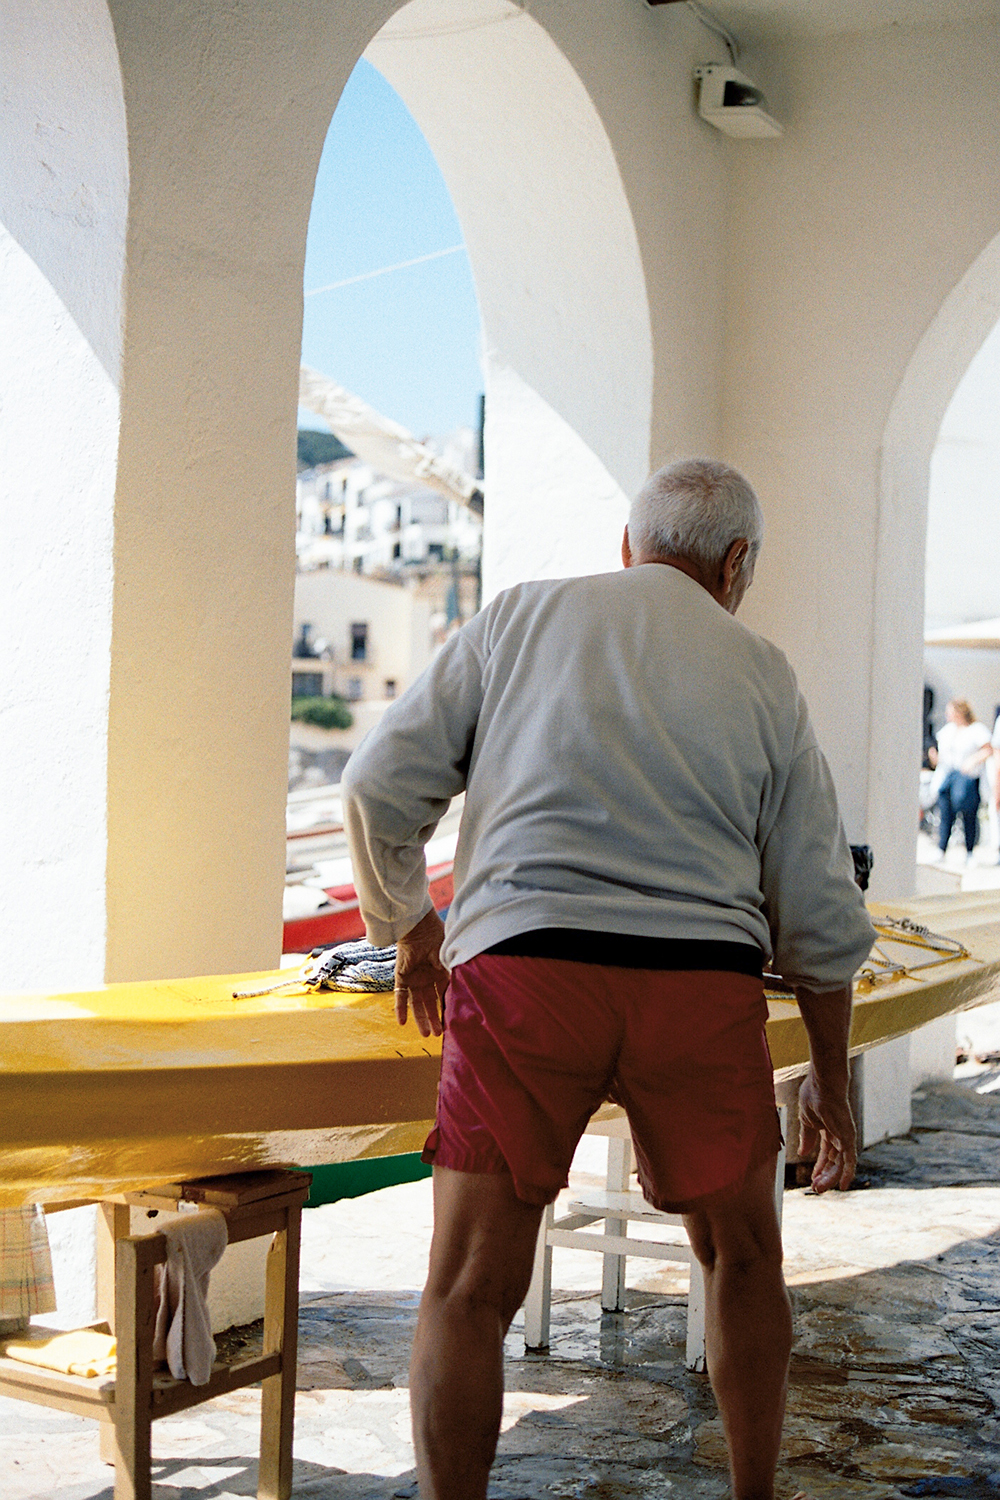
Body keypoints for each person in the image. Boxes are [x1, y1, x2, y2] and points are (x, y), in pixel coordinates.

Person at [341, 457, 875, 1500]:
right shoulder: (761, 669)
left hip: (524, 977)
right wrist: (829, 1078)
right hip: (697, 986)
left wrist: (406, 928)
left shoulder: (516, 621)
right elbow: (816, 904)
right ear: (738, 563)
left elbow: (374, 787)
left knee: (466, 1288)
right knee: (741, 1261)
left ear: (628, 548)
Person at [929, 699, 991, 862]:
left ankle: (970, 851)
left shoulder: (976, 730)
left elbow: (987, 749)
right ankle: (942, 848)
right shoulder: (948, 730)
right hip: (949, 775)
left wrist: (972, 761)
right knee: (946, 812)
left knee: (968, 813)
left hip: (968, 778)